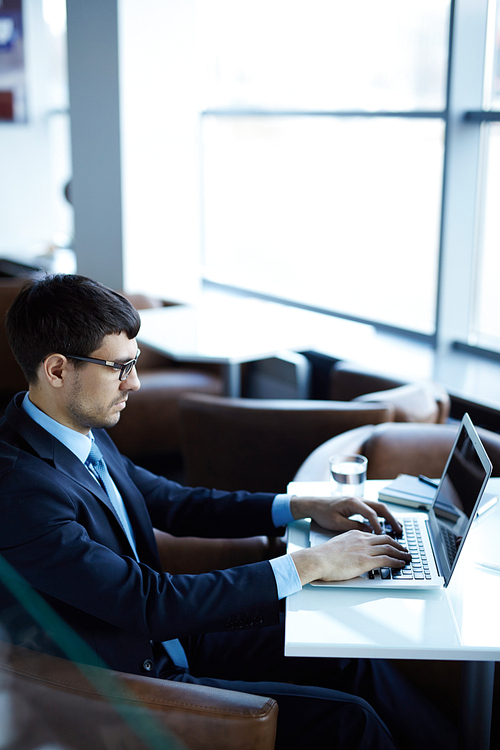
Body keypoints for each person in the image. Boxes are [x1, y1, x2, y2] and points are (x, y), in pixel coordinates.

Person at [0, 274, 455, 750]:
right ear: (56, 370)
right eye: (120, 366)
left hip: (169, 640)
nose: (133, 381)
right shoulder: (18, 490)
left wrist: (299, 506)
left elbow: (175, 503)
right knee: (351, 721)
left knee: (353, 658)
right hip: (129, 679)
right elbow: (149, 604)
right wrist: (310, 563)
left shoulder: (76, 427)